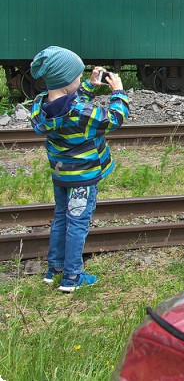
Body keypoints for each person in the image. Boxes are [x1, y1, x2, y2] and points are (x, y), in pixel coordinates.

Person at [28, 47, 129, 292]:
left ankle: (56, 268)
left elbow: (69, 99)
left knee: (62, 218)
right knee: (78, 223)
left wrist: (90, 86)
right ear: (66, 80)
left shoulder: (40, 106)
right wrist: (118, 92)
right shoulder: (80, 113)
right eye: (77, 76)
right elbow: (115, 118)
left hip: (61, 175)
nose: (79, 80)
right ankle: (73, 276)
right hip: (83, 180)